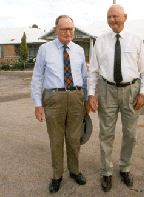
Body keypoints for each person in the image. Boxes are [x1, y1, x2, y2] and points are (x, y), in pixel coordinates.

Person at [88, 4, 144, 192]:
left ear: (125, 17)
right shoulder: (100, 40)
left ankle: (125, 168)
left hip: (131, 91)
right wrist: (91, 94)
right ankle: (106, 171)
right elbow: (93, 71)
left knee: (130, 134)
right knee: (106, 133)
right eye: (109, 17)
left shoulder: (136, 40)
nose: (112, 20)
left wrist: (143, 93)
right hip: (106, 90)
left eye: (115, 16)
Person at [31, 15, 89, 194]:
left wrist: (87, 99)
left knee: (74, 139)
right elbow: (37, 77)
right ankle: (57, 176)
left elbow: (85, 77)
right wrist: (38, 104)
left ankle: (74, 171)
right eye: (63, 29)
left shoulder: (79, 50)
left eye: (71, 29)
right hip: (53, 99)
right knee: (56, 140)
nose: (68, 32)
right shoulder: (44, 49)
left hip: (76, 98)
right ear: (56, 30)